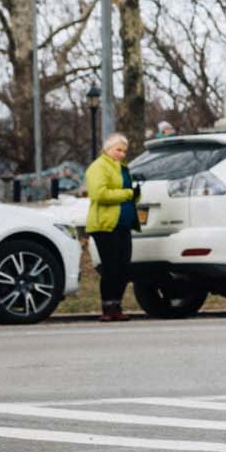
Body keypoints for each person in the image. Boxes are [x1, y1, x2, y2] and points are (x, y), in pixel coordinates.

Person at [84, 132, 137, 322]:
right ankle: (107, 308)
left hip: (123, 224)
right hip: (105, 225)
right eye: (118, 150)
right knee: (110, 267)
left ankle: (117, 306)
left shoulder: (123, 168)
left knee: (123, 267)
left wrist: (135, 194)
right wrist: (127, 194)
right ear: (108, 149)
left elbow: (130, 191)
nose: (122, 154)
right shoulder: (98, 167)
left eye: (124, 151)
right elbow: (99, 194)